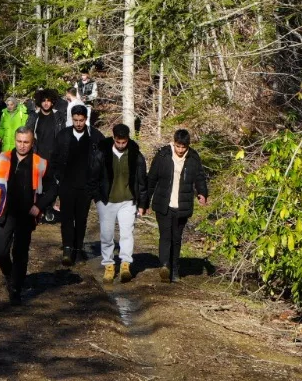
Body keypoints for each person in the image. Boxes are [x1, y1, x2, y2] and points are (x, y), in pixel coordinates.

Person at [0, 127, 57, 304]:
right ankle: (10, 274)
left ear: (32, 143)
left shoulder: (40, 163)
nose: (22, 146)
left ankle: (15, 289)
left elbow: (53, 188)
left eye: (26, 142)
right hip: (3, 212)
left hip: (26, 215)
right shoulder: (3, 158)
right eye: (19, 141)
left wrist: (39, 206)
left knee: (20, 253)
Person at [141, 128, 210, 282]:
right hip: (163, 203)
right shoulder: (163, 155)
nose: (180, 150)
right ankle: (165, 266)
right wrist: (144, 202)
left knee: (177, 238)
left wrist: (202, 193)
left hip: (182, 205)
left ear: (188, 146)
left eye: (183, 147)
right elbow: (151, 179)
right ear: (174, 143)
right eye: (178, 146)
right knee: (165, 235)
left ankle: (175, 270)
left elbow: (200, 177)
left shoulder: (193, 158)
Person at [53, 105, 105, 265]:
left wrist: (99, 185)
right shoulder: (63, 135)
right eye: (75, 120)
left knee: (82, 218)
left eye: (81, 120)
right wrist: (57, 178)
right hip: (67, 184)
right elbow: (54, 158)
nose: (78, 123)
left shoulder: (95, 136)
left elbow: (104, 160)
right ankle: (68, 248)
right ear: (72, 119)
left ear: (86, 119)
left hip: (86, 185)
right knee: (67, 217)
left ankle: (78, 247)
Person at [96, 123, 147, 282]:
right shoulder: (101, 154)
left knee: (127, 233)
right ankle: (109, 264)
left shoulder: (136, 156)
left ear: (128, 140)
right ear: (113, 138)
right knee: (107, 235)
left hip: (128, 200)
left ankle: (125, 264)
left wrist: (143, 203)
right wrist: (96, 196)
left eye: (124, 142)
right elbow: (93, 175)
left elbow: (142, 181)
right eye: (118, 142)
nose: (121, 145)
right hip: (106, 200)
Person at [27, 89, 67, 165]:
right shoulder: (34, 116)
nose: (46, 103)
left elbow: (63, 136)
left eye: (48, 101)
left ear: (52, 102)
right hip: (38, 155)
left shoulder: (58, 116)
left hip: (54, 156)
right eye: (43, 101)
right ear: (39, 102)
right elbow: (27, 134)